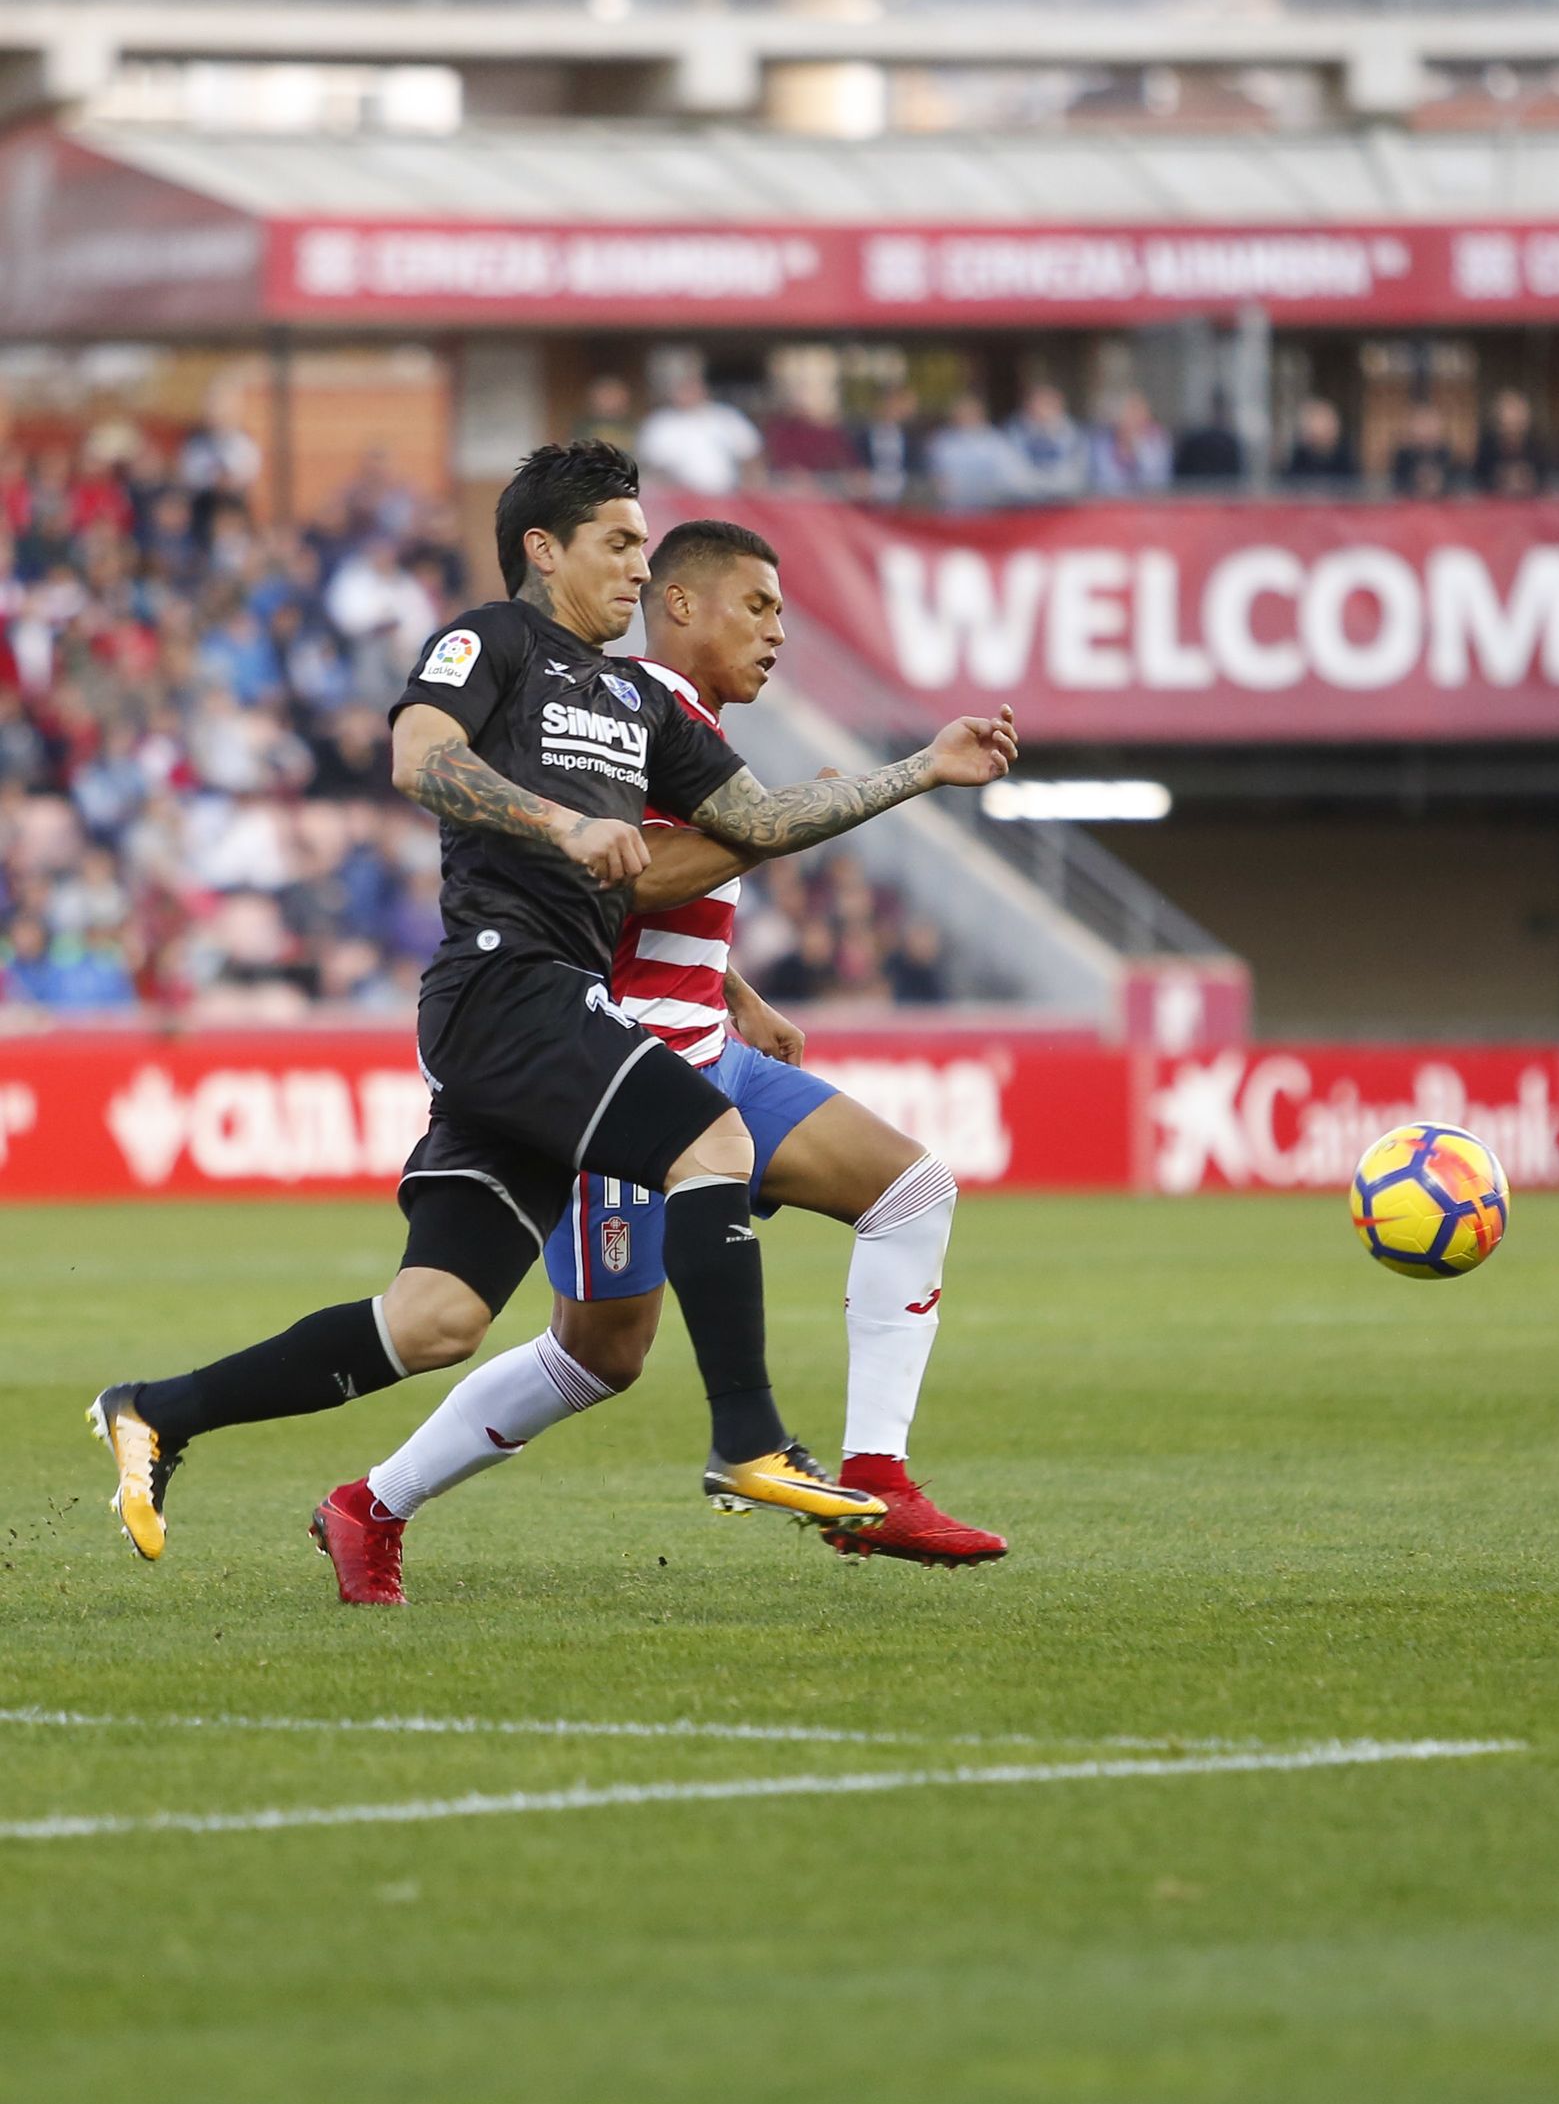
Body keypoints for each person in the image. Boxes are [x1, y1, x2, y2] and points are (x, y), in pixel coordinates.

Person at [88, 441, 1016, 1592]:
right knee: (710, 1146)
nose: (637, 566)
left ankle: (156, 1412)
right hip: (502, 984)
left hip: (553, 1008)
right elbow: (418, 755)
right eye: (619, 543)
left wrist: (921, 769)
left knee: (433, 1321)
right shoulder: (495, 640)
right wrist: (559, 826)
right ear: (545, 549)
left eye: (643, 543)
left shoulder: (634, 699)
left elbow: (761, 824)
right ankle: (749, 1443)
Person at [327, 520, 1006, 1595]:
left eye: (781, 613)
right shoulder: (618, 705)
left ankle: (879, 1483)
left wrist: (738, 991)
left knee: (910, 1191)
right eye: (758, 607)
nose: (777, 633)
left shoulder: (684, 718)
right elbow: (626, 880)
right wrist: (803, 816)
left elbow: (658, 890)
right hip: (620, 1070)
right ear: (679, 605)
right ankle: (370, 1503)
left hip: (712, 1049)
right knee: (600, 1354)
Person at [635, 368, 762, 497]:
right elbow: (653, 466)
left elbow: (749, 454)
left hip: (726, 496)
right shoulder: (660, 424)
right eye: (683, 390)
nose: (688, 394)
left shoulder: (726, 417)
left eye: (693, 389)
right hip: (680, 498)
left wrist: (751, 488)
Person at [1004, 382, 1089, 499]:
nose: (1044, 410)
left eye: (1049, 404)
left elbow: (1076, 477)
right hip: (1023, 505)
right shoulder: (1011, 434)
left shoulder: (1075, 435)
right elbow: (1014, 478)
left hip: (1065, 504)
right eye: (1040, 404)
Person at [1089, 392, 1172, 495]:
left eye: (1137, 411)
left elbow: (1155, 479)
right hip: (1112, 503)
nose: (1132, 418)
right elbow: (1102, 480)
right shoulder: (1102, 440)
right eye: (1128, 412)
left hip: (1147, 503)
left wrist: (1137, 447)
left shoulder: (1158, 439)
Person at [1473, 389, 1546, 498]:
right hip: (1496, 504)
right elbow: (1478, 478)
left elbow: (1547, 477)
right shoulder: (1487, 444)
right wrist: (1500, 477)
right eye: (1508, 411)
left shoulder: (1537, 444)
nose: (1513, 417)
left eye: (1518, 411)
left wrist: (1529, 478)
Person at [1389, 399, 1460, 500]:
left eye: (1430, 424)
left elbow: (1459, 484)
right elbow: (1396, 485)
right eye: (1421, 423)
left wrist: (1439, 485)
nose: (1426, 429)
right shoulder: (1404, 454)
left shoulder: (1447, 453)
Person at [1281, 397, 1356, 490]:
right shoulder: (1299, 458)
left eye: (1325, 422)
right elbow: (1289, 487)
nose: (1319, 428)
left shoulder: (1345, 458)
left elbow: (1352, 489)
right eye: (1315, 421)